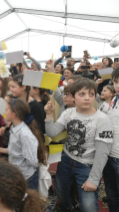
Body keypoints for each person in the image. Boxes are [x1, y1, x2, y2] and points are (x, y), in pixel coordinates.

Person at [45, 78, 113, 212]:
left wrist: (93, 179)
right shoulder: (68, 113)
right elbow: (52, 132)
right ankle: (70, 207)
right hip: (66, 159)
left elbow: (102, 152)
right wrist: (48, 116)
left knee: (88, 206)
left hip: (87, 166)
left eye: (91, 94)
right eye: (82, 94)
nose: (87, 98)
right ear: (72, 97)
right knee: (61, 191)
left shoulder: (102, 119)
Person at [0, 99, 47, 190]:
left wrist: (22, 166)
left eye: (6, 110)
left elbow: (33, 161)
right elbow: (15, 150)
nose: (4, 112)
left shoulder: (24, 134)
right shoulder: (13, 127)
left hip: (27, 178)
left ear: (13, 115)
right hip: (18, 175)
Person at [103, 67, 119, 212]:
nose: (118, 86)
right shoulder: (114, 100)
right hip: (109, 154)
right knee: (112, 193)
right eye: (116, 82)